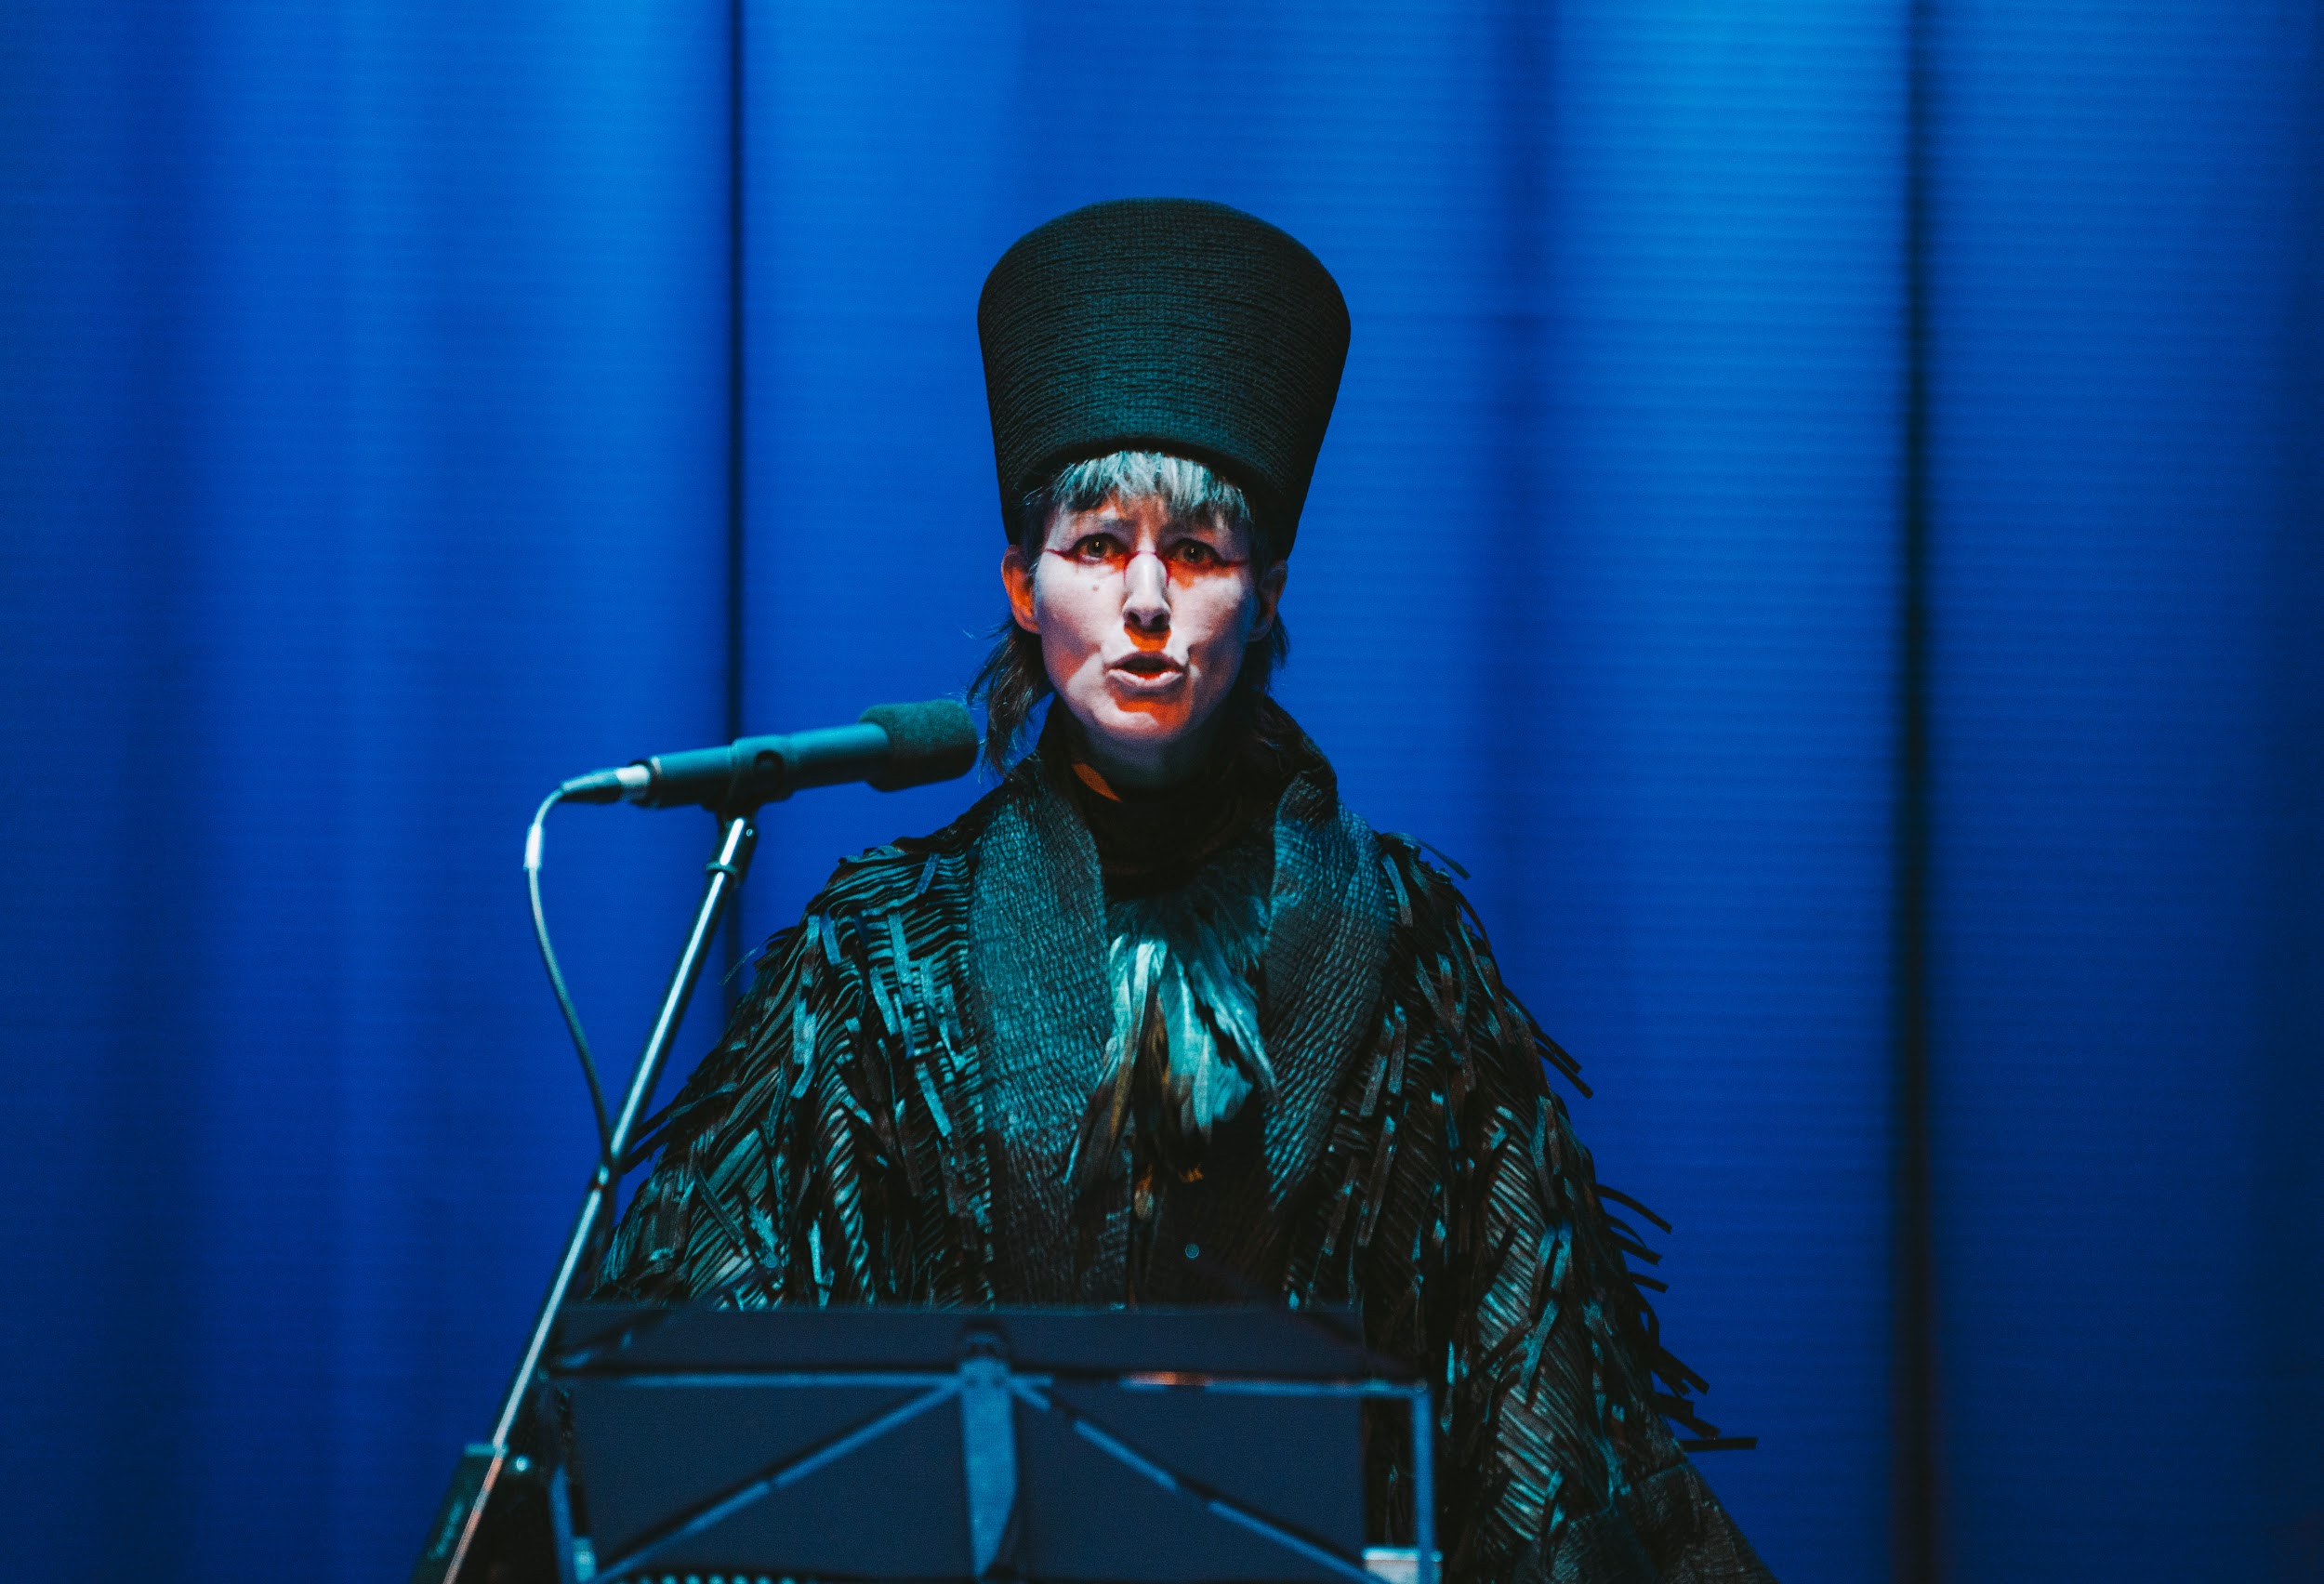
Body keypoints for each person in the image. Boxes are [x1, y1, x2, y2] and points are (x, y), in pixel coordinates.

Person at [595, 198, 1775, 1583]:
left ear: (1265, 594)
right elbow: (728, 1416)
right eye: (1098, 546)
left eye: (1199, 553)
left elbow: (1540, 1429)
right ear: (1026, 589)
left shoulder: (1402, 948)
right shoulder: (882, 957)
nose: (1147, 599)